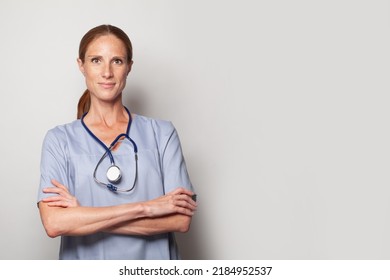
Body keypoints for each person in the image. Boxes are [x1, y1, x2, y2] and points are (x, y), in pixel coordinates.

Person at [37, 24, 197, 260]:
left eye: (117, 61)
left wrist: (82, 216)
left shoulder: (162, 134)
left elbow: (180, 219)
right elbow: (54, 223)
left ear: (129, 67)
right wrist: (145, 207)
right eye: (96, 60)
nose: (107, 72)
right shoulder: (59, 141)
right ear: (81, 65)